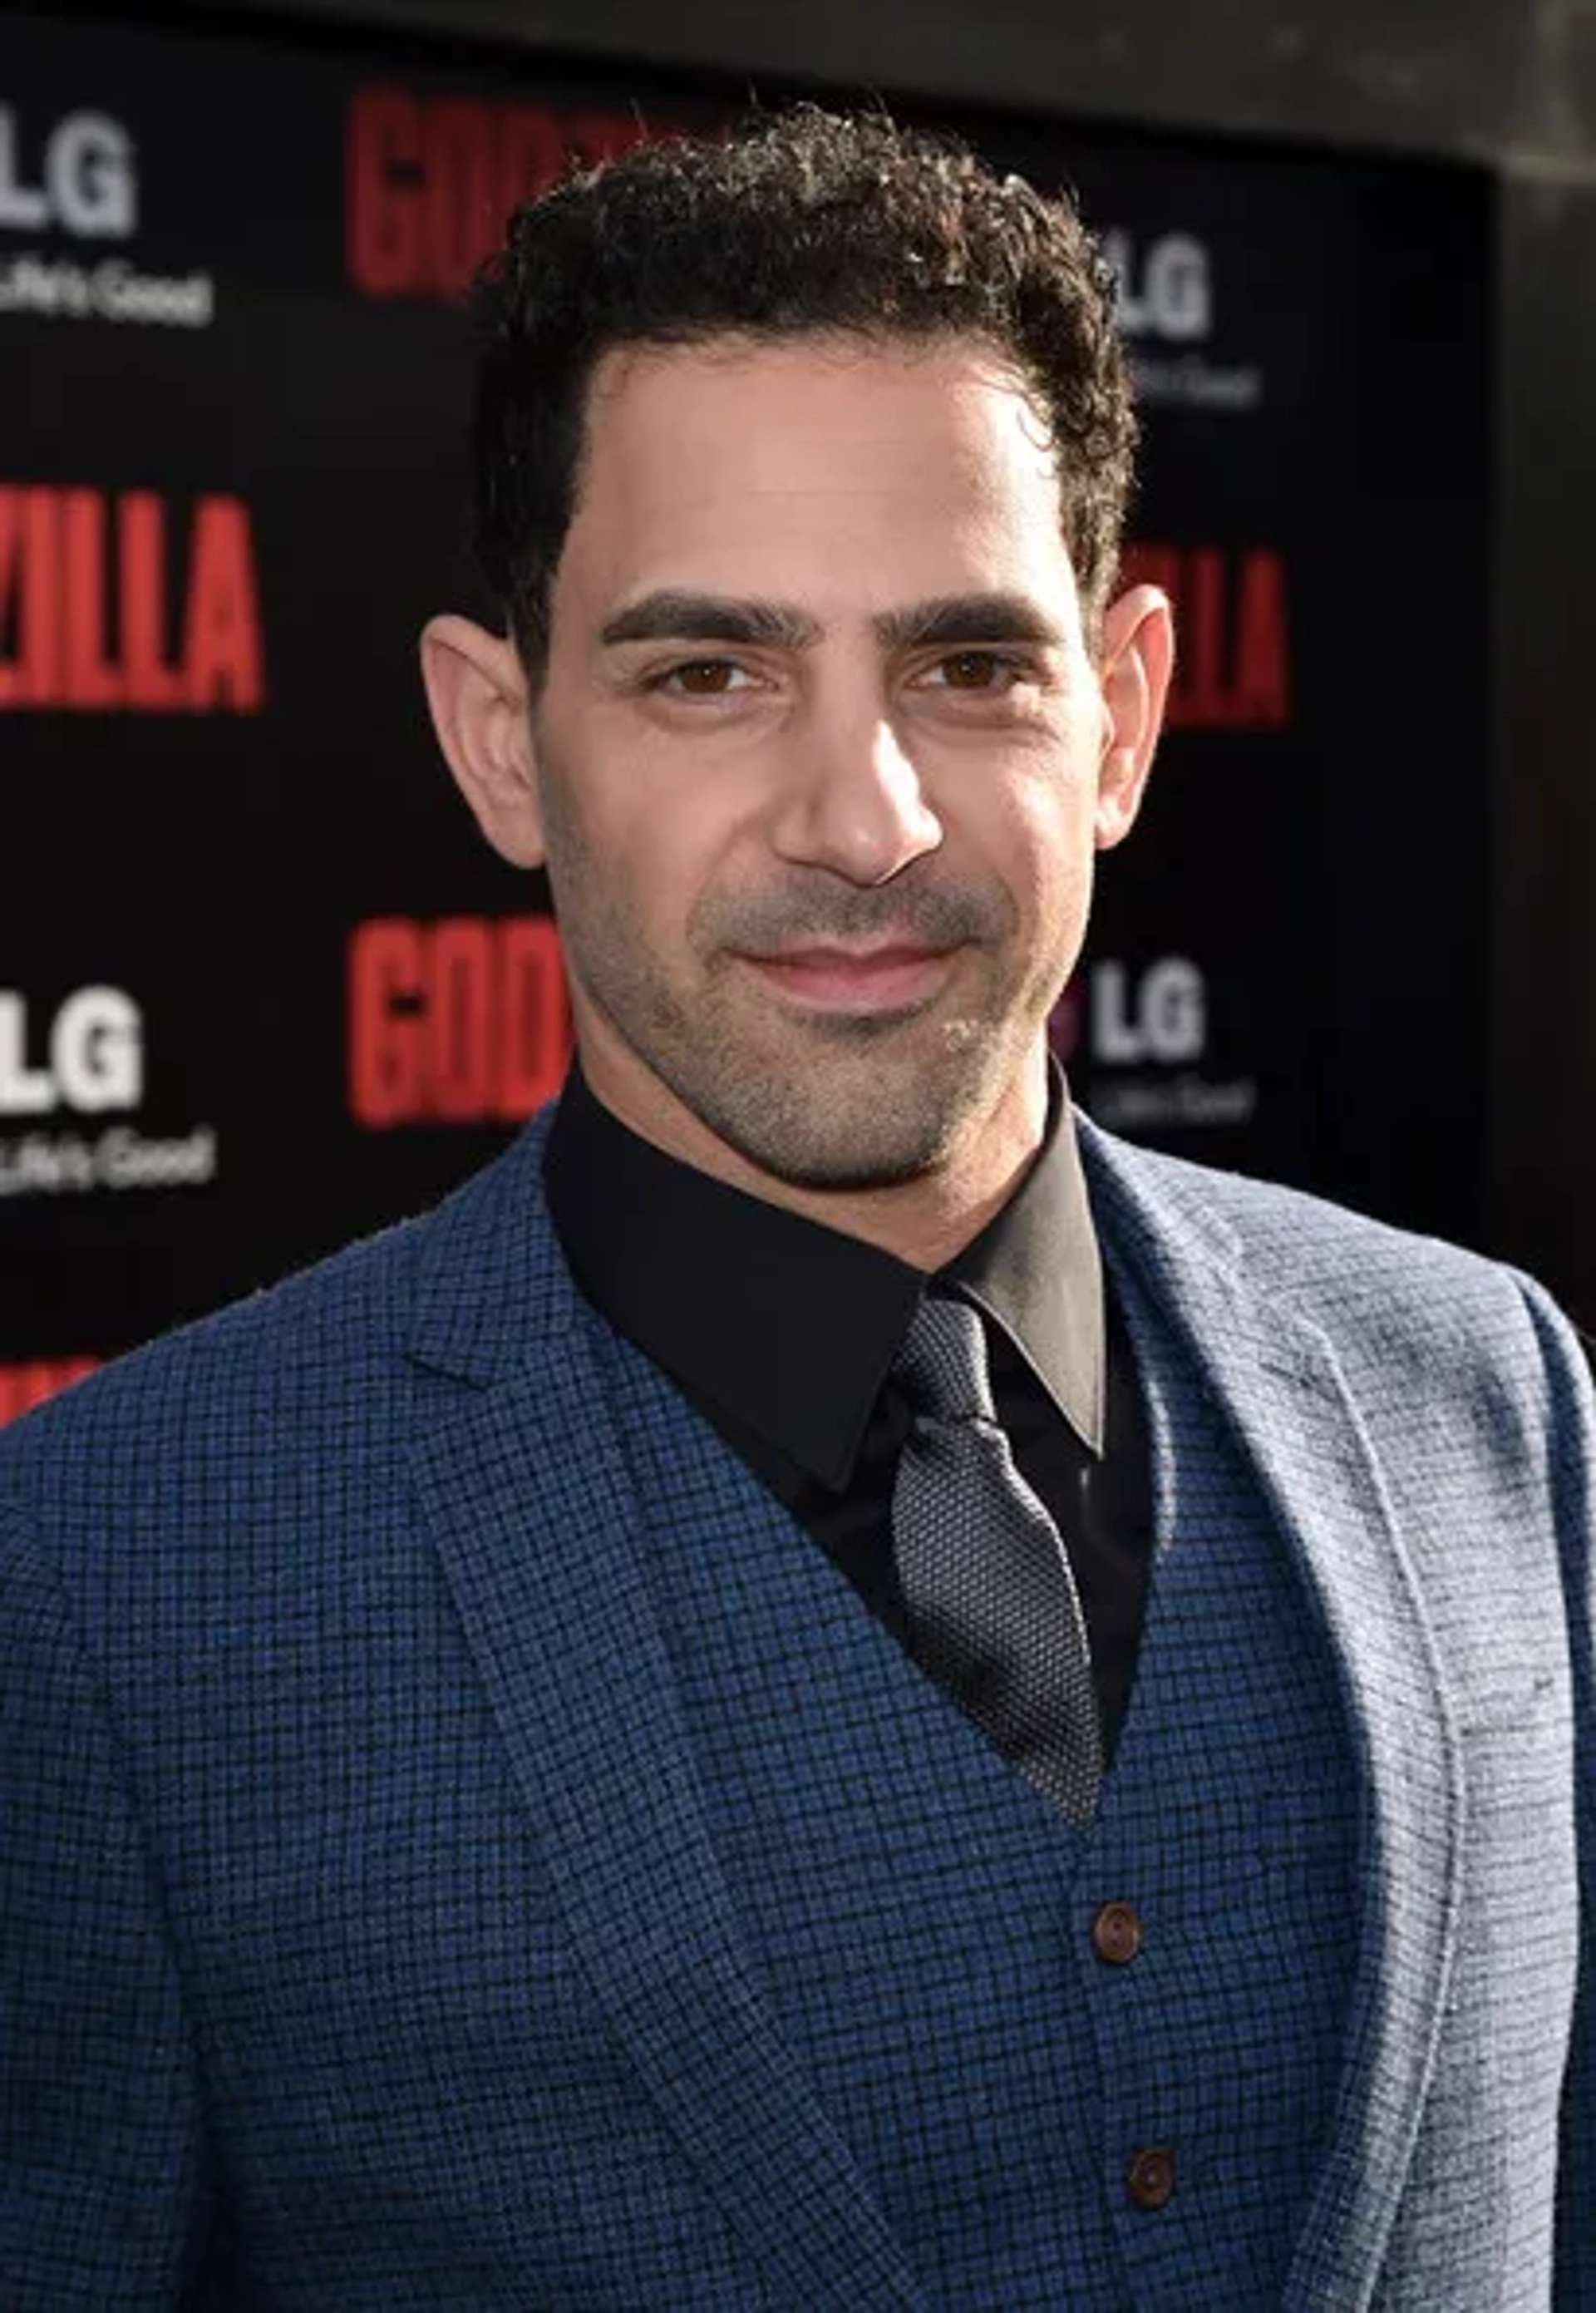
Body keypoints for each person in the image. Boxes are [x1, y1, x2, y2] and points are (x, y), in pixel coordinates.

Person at [2, 106, 1590, 2312]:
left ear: (1120, 717)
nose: (867, 812)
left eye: (969, 663)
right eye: (707, 671)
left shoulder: (1488, 1394)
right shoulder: (107, 1579)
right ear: (500, 738)